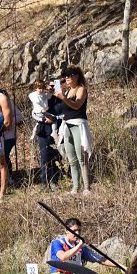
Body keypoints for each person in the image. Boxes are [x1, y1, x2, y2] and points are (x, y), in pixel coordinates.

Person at [54, 66, 92, 195]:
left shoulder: (81, 89)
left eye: (70, 75)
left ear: (77, 76)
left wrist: (63, 98)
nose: (67, 78)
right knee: (71, 158)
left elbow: (77, 105)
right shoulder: (66, 91)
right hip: (67, 126)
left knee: (82, 157)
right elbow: (59, 110)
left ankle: (87, 187)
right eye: (66, 76)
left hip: (78, 125)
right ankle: (75, 187)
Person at [47, 218, 115, 274]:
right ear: (67, 230)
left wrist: (122, 267)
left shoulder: (81, 248)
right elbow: (63, 257)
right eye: (74, 231)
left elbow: (101, 260)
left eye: (79, 230)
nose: (77, 233)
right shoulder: (57, 243)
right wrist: (79, 245)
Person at [30, 79, 61, 189]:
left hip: (58, 129)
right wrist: (43, 120)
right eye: (50, 86)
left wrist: (54, 119)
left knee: (56, 156)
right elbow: (34, 112)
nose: (51, 88)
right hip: (43, 129)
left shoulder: (60, 99)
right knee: (44, 156)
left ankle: (55, 181)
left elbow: (64, 114)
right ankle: (45, 182)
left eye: (54, 86)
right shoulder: (40, 97)